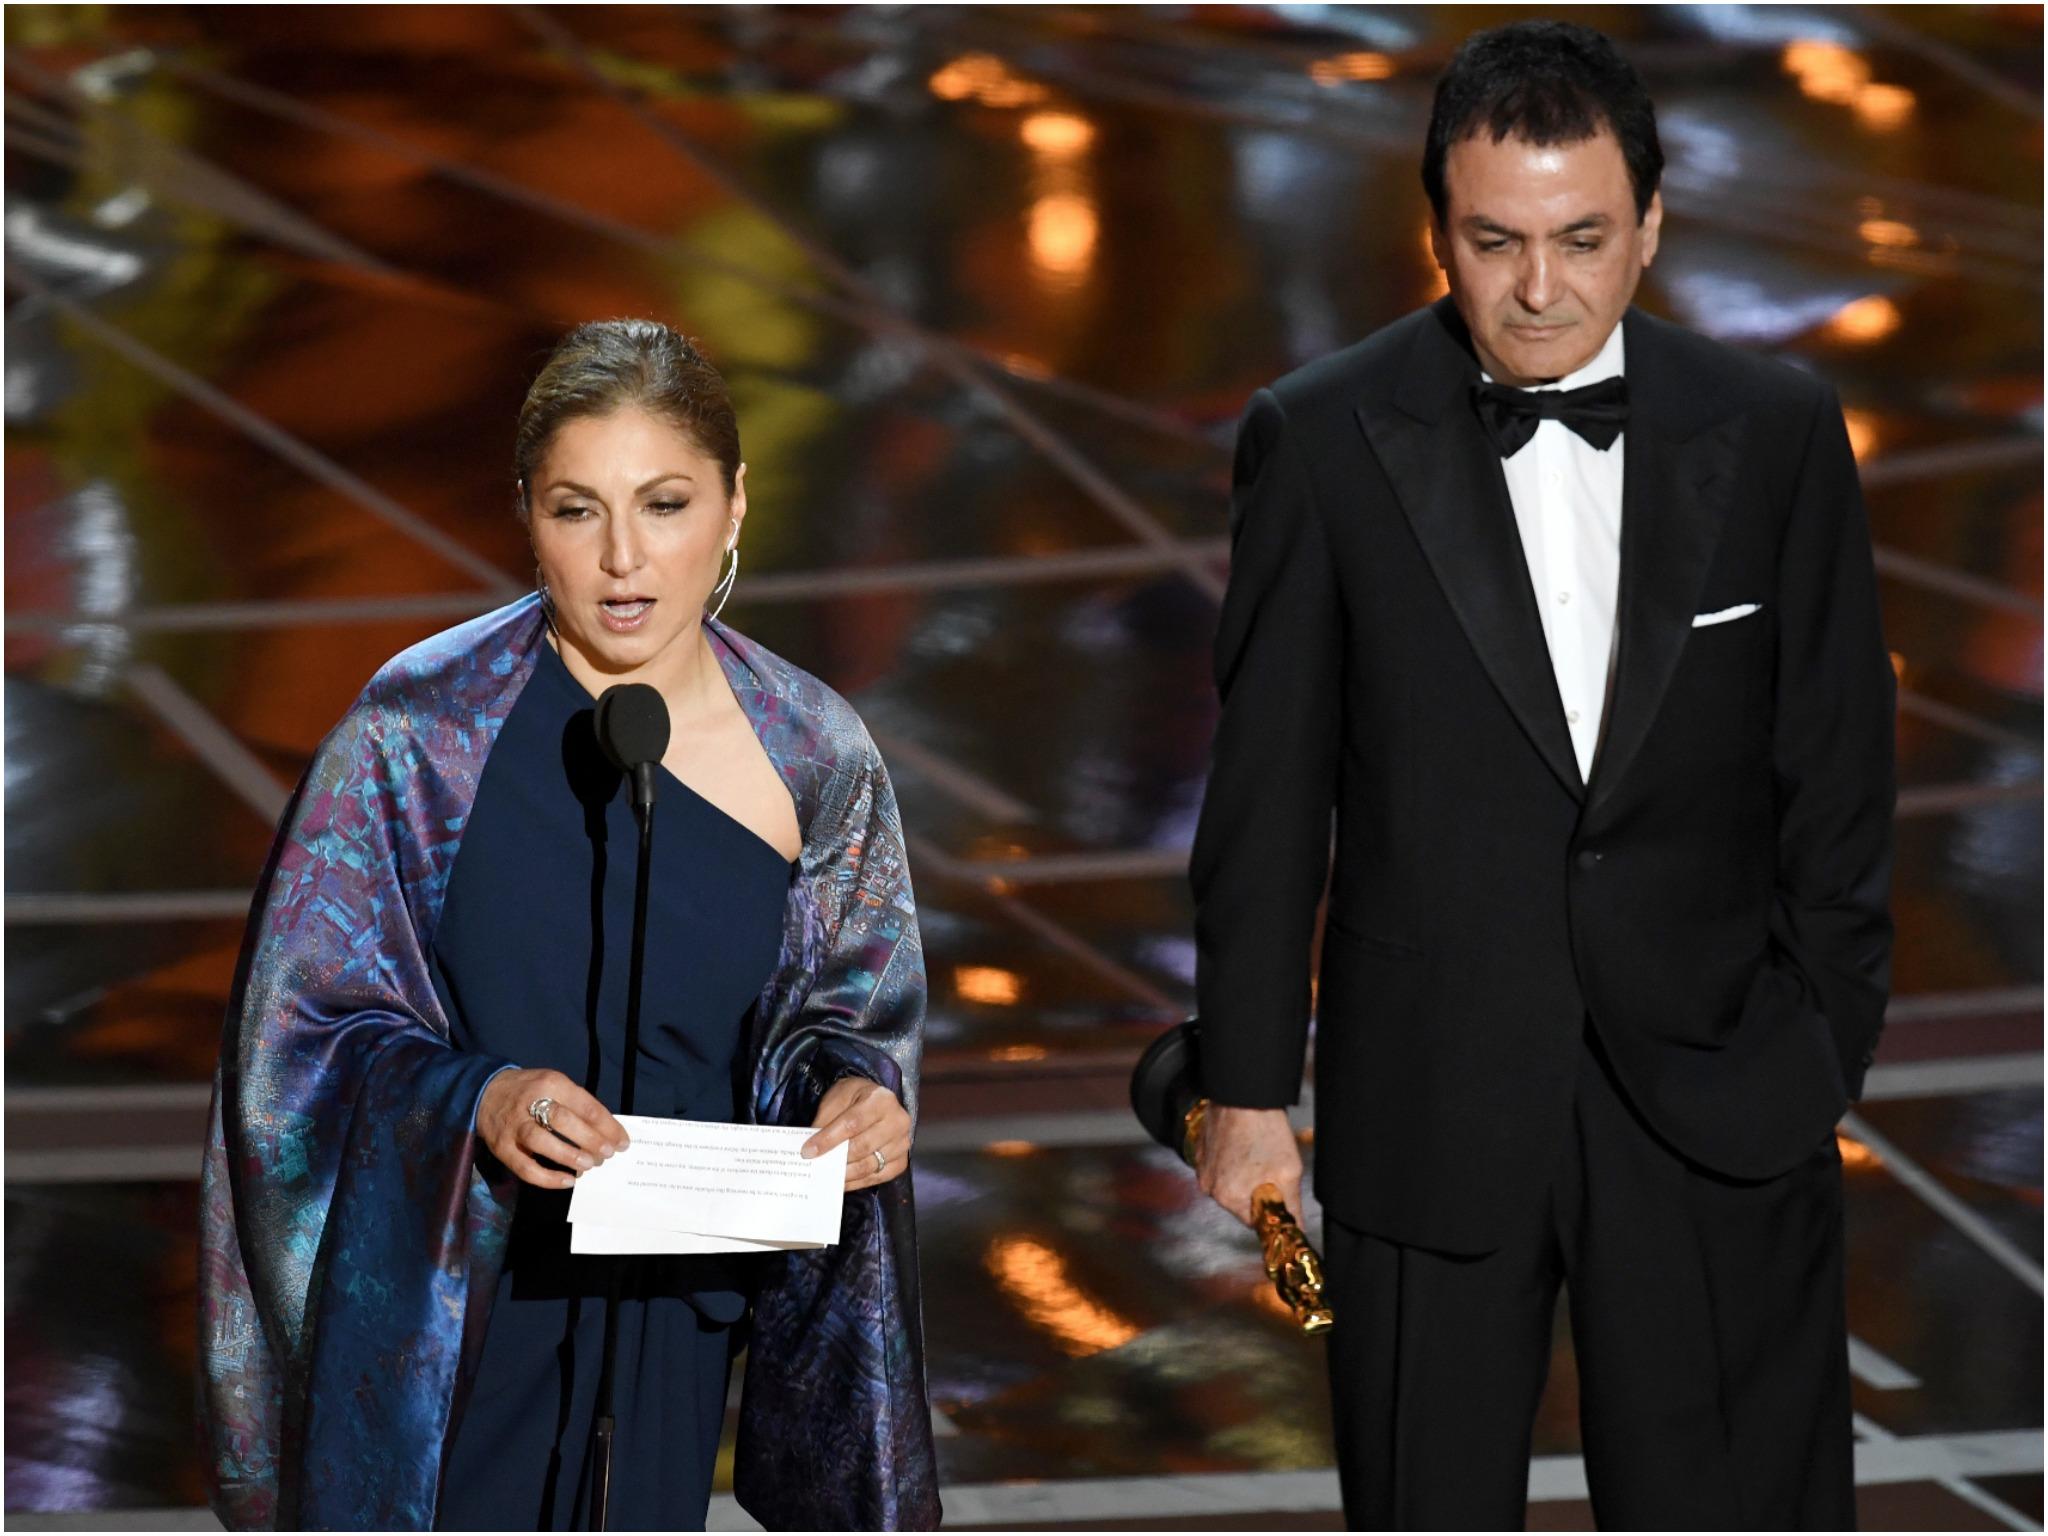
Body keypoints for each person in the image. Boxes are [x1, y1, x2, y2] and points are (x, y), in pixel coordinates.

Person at [1187, 20, 1893, 1530]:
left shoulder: (1773, 433)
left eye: (1582, 239)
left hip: (1718, 1094)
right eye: (1494, 241)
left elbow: (1836, 769)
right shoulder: (1318, 443)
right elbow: (1264, 799)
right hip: (1426, 1104)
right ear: (1435, 229)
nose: (1540, 289)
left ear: (1651, 223)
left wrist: (1821, 1039)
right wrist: (1245, 1091)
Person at [198, 320, 941, 1531]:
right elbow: (297, 1048)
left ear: (735, 505)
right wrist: (478, 1099)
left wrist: (854, 1094)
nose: (623, 562)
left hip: (679, 1315)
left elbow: (841, 1016)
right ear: (524, 513)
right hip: (460, 1316)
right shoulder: (415, 735)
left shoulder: (813, 750)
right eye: (575, 511)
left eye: (664, 504)